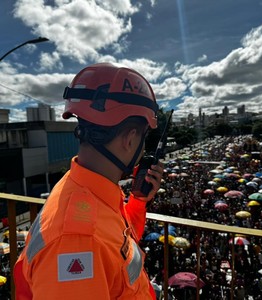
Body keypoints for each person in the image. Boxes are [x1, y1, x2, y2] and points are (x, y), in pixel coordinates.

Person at [14, 62, 164, 299]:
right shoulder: (78, 241)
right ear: (130, 138)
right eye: (144, 137)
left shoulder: (85, 188)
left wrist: (138, 201)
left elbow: (117, 243)